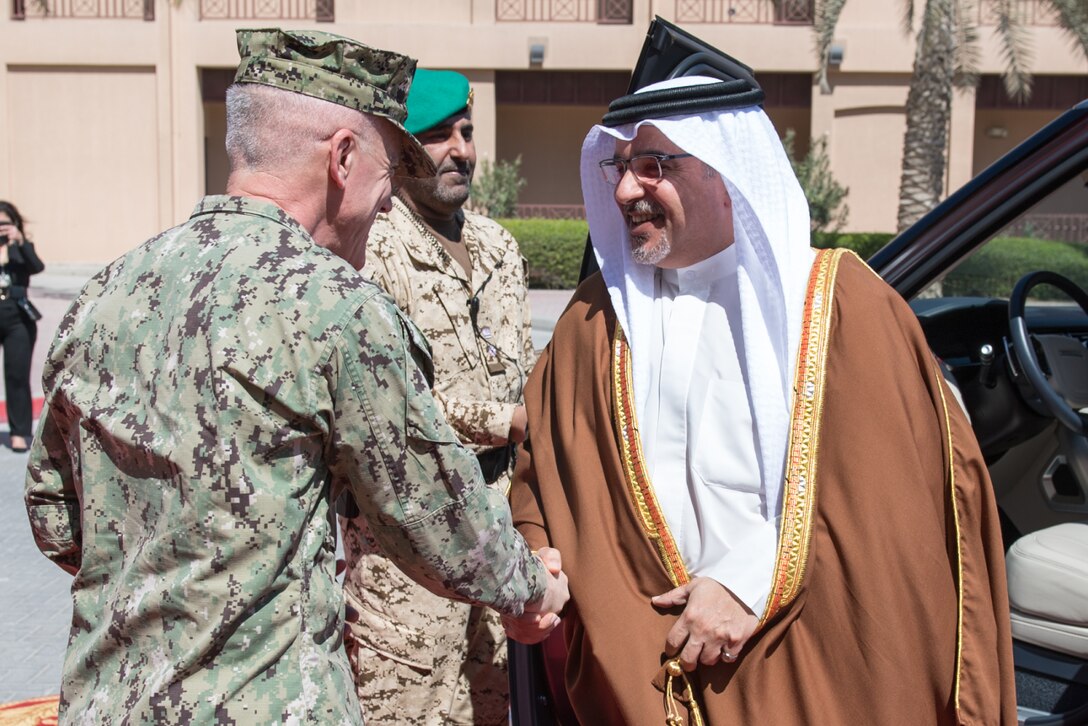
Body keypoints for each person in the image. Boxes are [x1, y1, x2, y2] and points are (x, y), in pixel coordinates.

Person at [23, 29, 566, 724]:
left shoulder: (106, 293)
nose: (389, 202)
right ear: (342, 158)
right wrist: (531, 595)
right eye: (386, 174)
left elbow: (54, 517)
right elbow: (437, 519)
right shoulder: (335, 307)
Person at [509, 70, 1017, 723]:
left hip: (799, 664)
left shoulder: (840, 308)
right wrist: (534, 566)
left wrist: (750, 584)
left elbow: (890, 506)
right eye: (620, 166)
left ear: (724, 171)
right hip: (637, 680)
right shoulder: (593, 322)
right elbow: (543, 470)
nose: (628, 188)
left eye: (655, 166)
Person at [339, 69, 535, 725]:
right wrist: (509, 421)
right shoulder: (370, 248)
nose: (461, 149)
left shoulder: (498, 247)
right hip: (406, 556)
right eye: (437, 135)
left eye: (467, 132)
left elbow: (520, 367)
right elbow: (392, 399)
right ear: (400, 150)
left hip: (498, 538)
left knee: (491, 710)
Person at [0, 201, 44, 452]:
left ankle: (19, 433)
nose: (1, 229)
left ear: (15, 224)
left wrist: (19, 241)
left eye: (5, 224)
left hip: (17, 316)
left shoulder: (21, 248)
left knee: (17, 375)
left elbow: (37, 267)